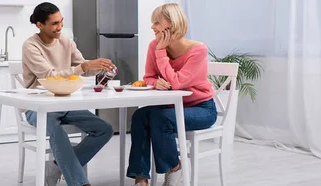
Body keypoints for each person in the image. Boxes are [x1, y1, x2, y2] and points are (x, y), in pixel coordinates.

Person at [22, 2, 116, 186]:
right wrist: (84, 66)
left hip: (66, 103)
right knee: (57, 132)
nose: (60, 27)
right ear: (40, 25)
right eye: (54, 24)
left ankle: (57, 166)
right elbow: (49, 77)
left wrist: (99, 67)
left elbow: (82, 67)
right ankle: (80, 183)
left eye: (61, 21)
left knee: (104, 129)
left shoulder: (65, 40)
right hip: (37, 107)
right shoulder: (30, 46)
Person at [126, 3, 218, 186]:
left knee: (161, 119)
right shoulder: (154, 46)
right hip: (170, 106)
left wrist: (161, 52)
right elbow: (149, 76)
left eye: (156, 22)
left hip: (201, 108)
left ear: (171, 24)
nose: (152, 27)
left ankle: (174, 168)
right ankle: (141, 178)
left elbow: (176, 83)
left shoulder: (198, 50)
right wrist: (155, 82)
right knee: (139, 116)